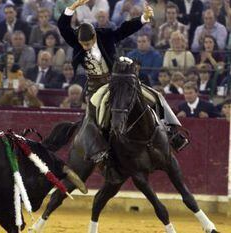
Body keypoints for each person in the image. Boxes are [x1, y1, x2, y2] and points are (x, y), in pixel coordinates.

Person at [58, 0, 188, 168]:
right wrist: (72, 8)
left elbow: (125, 29)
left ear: (95, 36)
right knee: (95, 114)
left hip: (117, 81)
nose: (86, 48)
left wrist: (143, 18)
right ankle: (100, 151)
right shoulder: (77, 40)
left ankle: (172, 133)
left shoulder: (105, 35)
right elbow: (63, 27)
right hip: (95, 87)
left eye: (88, 44)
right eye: (83, 45)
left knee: (155, 95)